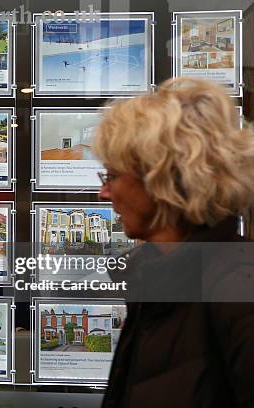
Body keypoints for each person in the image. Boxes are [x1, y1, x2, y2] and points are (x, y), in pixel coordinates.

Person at [92, 77, 254, 407]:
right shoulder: (152, 279)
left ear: (160, 178)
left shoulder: (239, 290)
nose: (102, 192)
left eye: (112, 176)